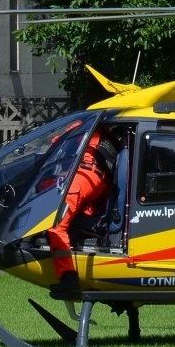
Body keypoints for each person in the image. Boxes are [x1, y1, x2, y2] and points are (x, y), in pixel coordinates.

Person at [48, 125, 118, 299]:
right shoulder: (105, 131)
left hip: (83, 176)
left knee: (55, 225)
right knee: (78, 221)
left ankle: (68, 276)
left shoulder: (85, 123)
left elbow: (56, 142)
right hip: (99, 182)